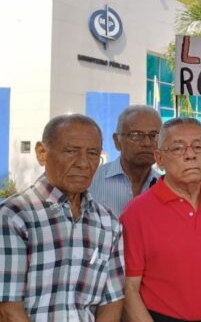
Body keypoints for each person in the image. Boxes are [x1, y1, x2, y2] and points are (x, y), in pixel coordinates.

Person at [120, 118, 201, 322]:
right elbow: (129, 289)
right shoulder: (137, 213)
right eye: (178, 148)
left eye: (198, 147)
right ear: (159, 158)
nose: (190, 155)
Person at [0, 114, 125, 320]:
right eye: (71, 151)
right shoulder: (14, 217)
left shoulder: (108, 223)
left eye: (93, 153)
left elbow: (112, 301)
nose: (83, 163)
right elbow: (8, 309)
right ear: (42, 153)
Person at [91, 105, 161, 216]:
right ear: (117, 141)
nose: (147, 143)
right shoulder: (92, 182)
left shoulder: (164, 186)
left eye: (154, 136)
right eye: (136, 135)